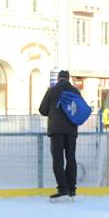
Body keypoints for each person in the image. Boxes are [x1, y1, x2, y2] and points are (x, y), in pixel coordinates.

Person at [39, 70, 80, 201]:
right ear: (69, 79)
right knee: (71, 158)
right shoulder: (75, 91)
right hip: (71, 130)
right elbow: (80, 109)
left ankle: (63, 189)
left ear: (58, 79)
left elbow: (42, 110)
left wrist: (53, 112)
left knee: (58, 160)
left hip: (56, 130)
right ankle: (72, 189)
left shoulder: (52, 90)